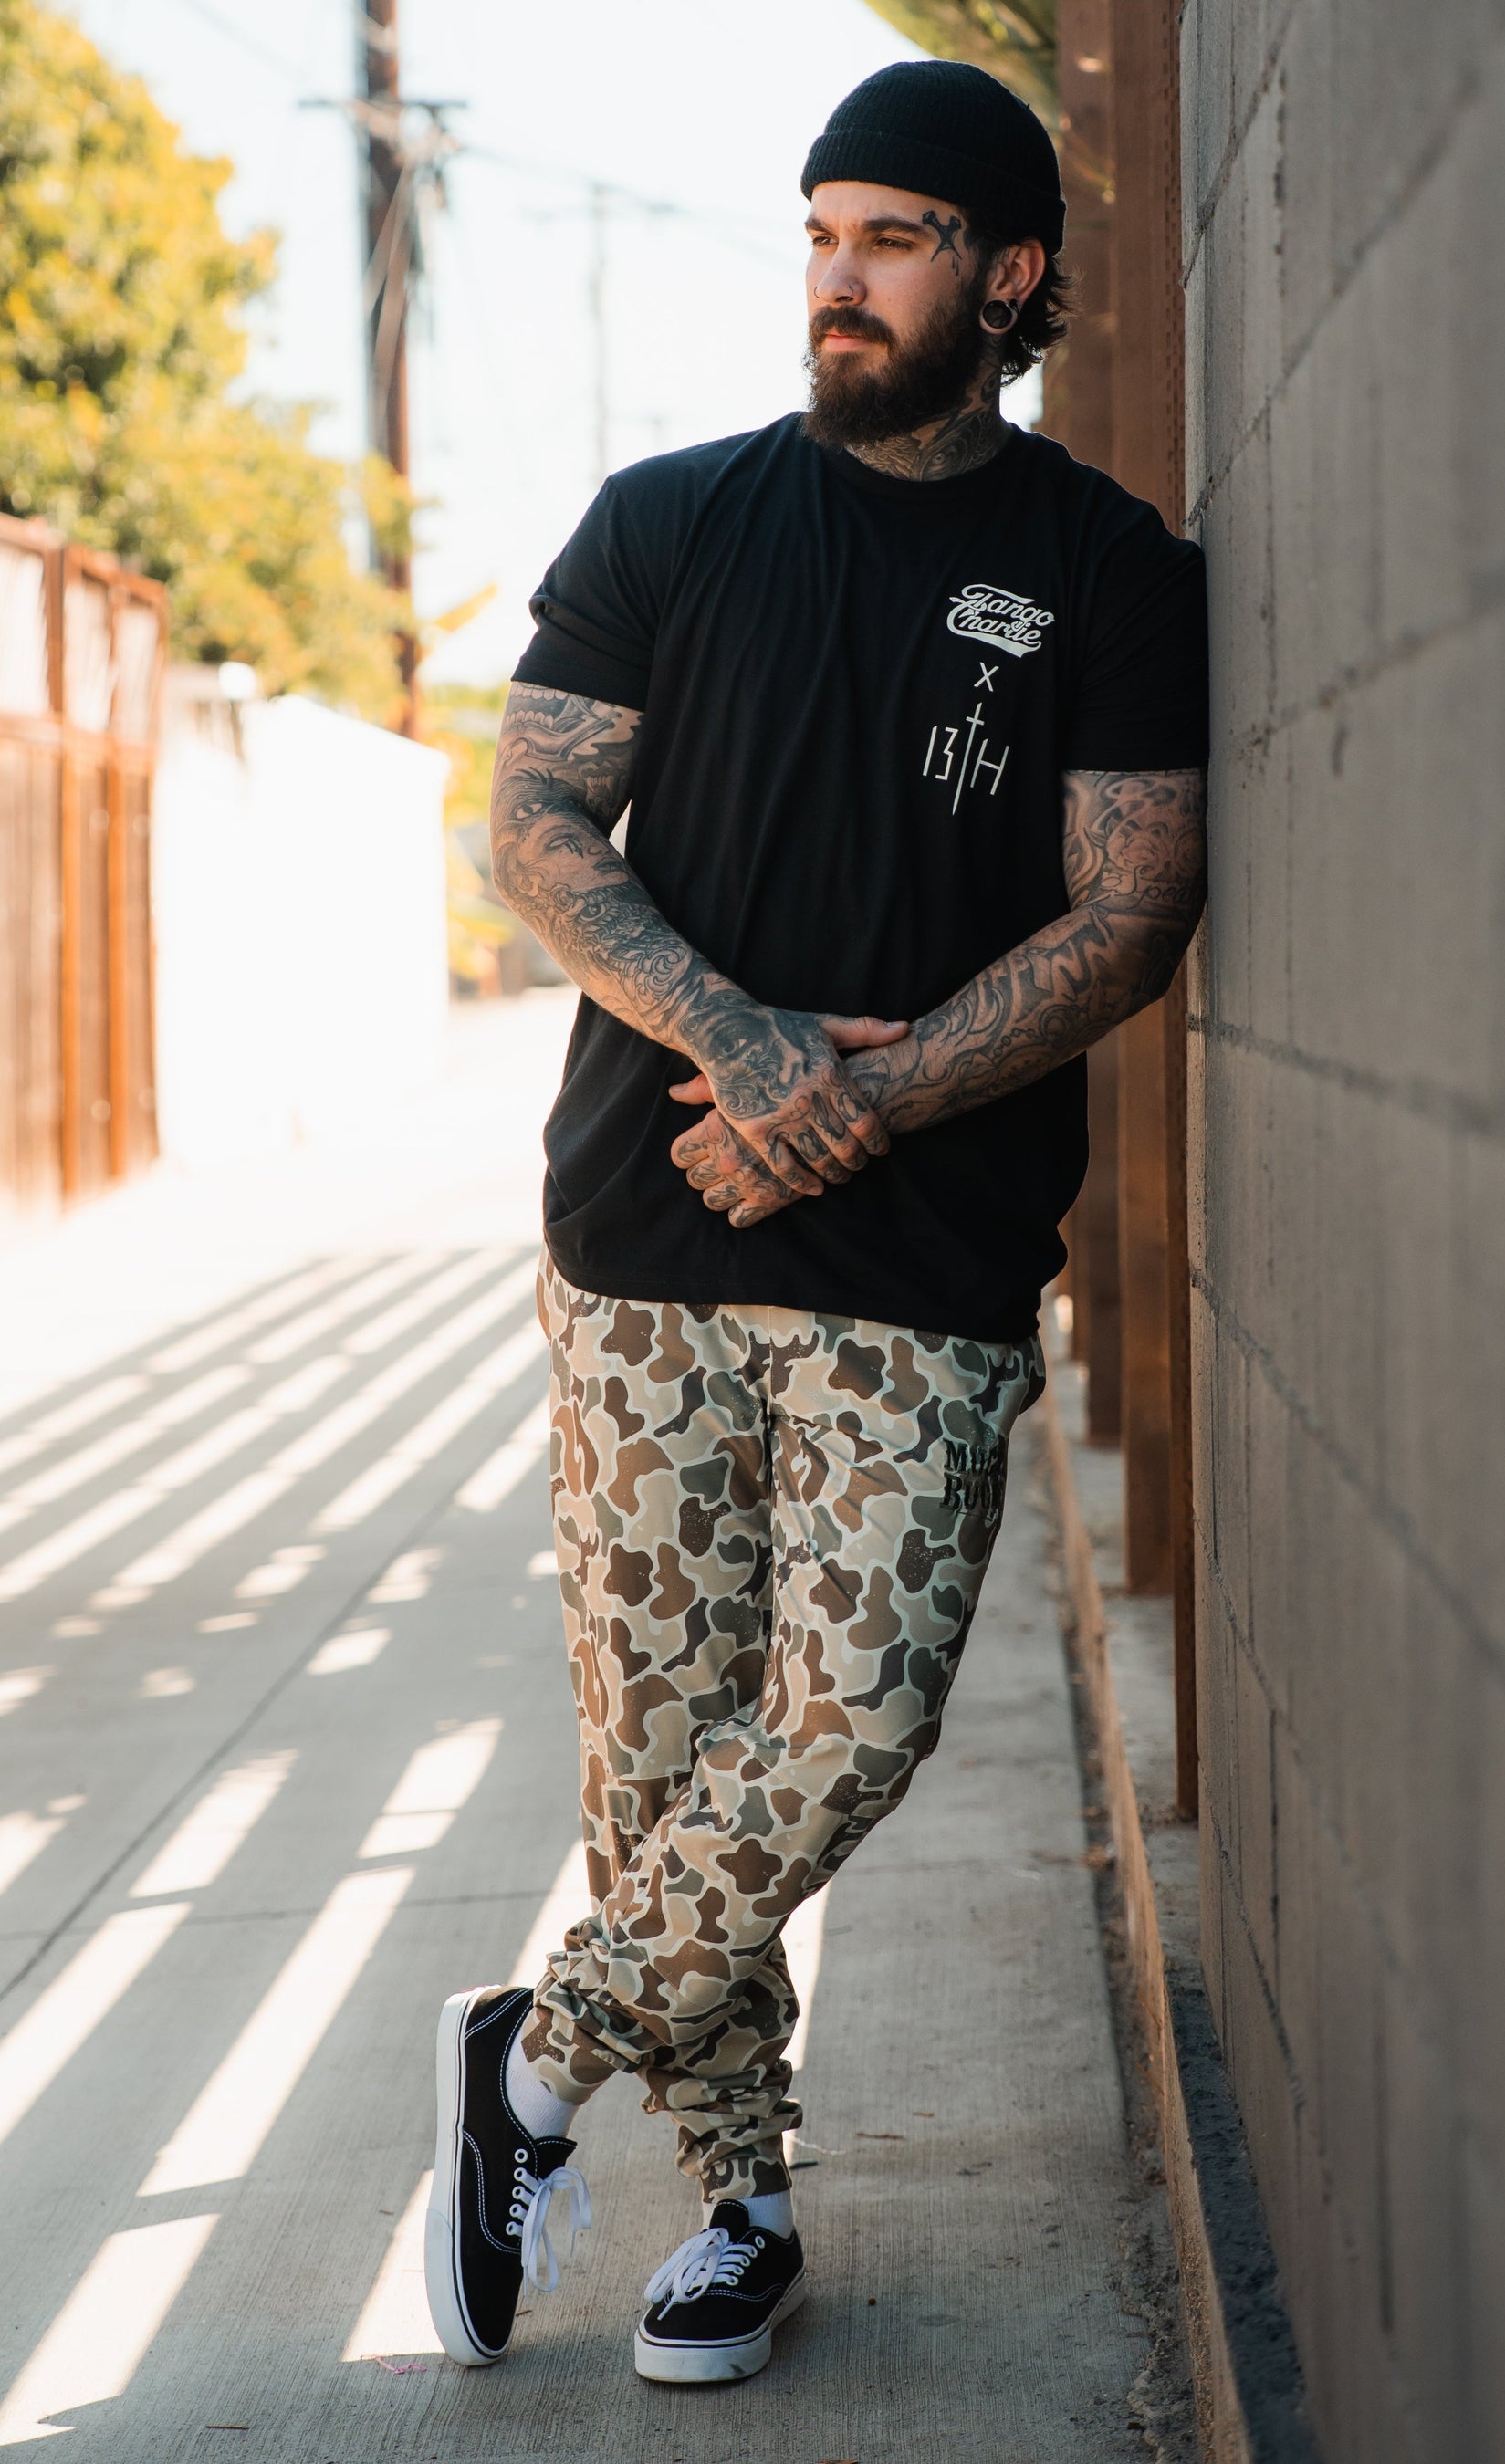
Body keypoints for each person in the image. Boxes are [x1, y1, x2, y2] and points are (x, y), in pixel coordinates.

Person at [423, 57, 1208, 2388]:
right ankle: (735, 2204)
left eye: (890, 238)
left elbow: (1135, 905)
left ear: (1011, 273)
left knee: (851, 1720)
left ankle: (534, 2056)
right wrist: (738, 1038)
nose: (837, 280)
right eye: (818, 234)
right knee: (667, 1753)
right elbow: (537, 828)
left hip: (923, 1261)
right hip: (644, 1232)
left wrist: (854, 1105)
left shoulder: (1107, 567)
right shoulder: (669, 521)